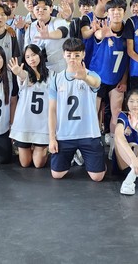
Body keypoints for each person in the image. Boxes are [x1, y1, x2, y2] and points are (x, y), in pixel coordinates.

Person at [48, 38, 105, 182]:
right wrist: (52, 138)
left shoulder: (91, 75)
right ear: (63, 55)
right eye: (69, 55)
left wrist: (85, 78)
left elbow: (96, 83)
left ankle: (88, 157)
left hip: (89, 133)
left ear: (83, 54)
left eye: (77, 55)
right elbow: (52, 110)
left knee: (97, 177)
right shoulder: (56, 79)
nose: (72, 58)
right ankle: (74, 155)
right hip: (65, 135)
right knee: (57, 174)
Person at [90, 0, 129, 153]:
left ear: (124, 12)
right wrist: (102, 33)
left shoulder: (128, 32)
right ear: (107, 13)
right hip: (97, 79)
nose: (116, 12)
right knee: (93, 112)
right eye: (112, 10)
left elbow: (128, 59)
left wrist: (124, 80)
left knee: (116, 112)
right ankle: (91, 145)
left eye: (119, 9)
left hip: (116, 79)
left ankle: (114, 147)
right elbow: (98, 35)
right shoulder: (103, 30)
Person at [8, 45, 52, 168]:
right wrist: (18, 72)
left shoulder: (51, 74)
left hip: (42, 123)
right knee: (25, 163)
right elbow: (22, 75)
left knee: (38, 164)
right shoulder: (25, 74)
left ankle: (41, 149)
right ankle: (32, 148)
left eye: (33, 55)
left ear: (40, 55)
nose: (31, 59)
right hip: (25, 122)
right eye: (27, 57)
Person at [24, 0, 70, 72]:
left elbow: (63, 31)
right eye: (37, 8)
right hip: (39, 68)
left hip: (59, 66)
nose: (40, 11)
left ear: (51, 9)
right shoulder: (30, 28)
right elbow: (27, 50)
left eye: (45, 8)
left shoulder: (58, 21)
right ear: (33, 10)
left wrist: (48, 35)